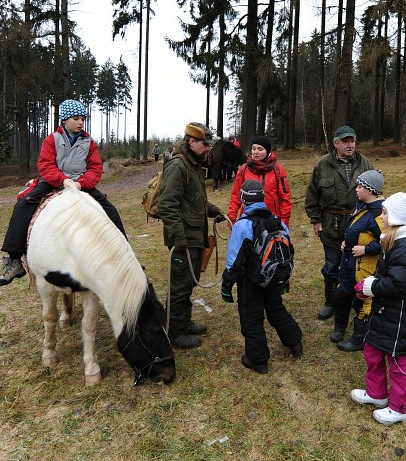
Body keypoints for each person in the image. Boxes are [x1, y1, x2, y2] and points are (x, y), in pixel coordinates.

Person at [0, 99, 126, 286]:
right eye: (76, 118)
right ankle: (14, 261)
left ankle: (123, 260)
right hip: (53, 182)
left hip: (80, 184)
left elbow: (95, 169)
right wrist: (62, 180)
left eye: (82, 119)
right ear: (64, 120)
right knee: (24, 205)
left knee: (110, 210)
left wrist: (81, 183)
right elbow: (45, 165)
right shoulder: (51, 139)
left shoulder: (89, 143)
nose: (80, 122)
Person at [350, 192, 406, 425]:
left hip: (399, 315)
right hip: (384, 311)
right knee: (373, 351)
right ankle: (376, 393)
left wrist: (371, 286)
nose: (381, 217)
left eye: (385, 213)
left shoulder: (405, 247)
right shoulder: (391, 240)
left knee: (398, 361)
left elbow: (400, 283)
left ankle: (401, 407)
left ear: (398, 216)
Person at [221, 180, 303, 374]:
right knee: (276, 309)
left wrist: (226, 284)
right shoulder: (278, 221)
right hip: (274, 277)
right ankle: (295, 344)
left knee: (251, 318)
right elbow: (286, 252)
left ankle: (258, 361)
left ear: (243, 200)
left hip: (251, 282)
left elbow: (234, 259)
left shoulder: (242, 226)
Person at [159, 122, 227, 349]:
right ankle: (173, 332)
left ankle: (184, 322)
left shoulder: (193, 165)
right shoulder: (178, 165)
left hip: (195, 236)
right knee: (178, 286)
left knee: (187, 283)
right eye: (204, 144)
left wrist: (213, 210)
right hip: (184, 239)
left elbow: (194, 201)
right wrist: (178, 238)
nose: (208, 148)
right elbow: (167, 204)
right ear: (192, 142)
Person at [304, 126, 374, 320]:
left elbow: (375, 193)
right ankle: (331, 302)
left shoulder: (365, 163)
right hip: (331, 223)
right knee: (332, 265)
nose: (349, 145)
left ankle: (356, 300)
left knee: (357, 264)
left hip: (359, 223)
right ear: (336, 143)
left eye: (352, 141)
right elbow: (312, 195)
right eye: (345, 141)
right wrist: (316, 220)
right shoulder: (322, 164)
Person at [330, 169, 385, 352]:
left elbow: (386, 241)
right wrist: (348, 241)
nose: (356, 189)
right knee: (341, 294)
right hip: (348, 263)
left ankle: (359, 338)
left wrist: (366, 249)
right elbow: (356, 229)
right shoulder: (360, 205)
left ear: (370, 190)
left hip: (363, 268)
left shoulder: (379, 213)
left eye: (360, 186)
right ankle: (340, 327)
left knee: (363, 300)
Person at [227, 136, 291, 227]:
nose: (256, 152)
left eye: (260, 149)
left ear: (268, 151)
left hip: (272, 220)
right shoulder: (243, 170)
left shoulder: (278, 170)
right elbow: (236, 196)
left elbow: (285, 198)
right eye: (254, 149)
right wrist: (232, 217)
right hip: (248, 221)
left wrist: (284, 222)